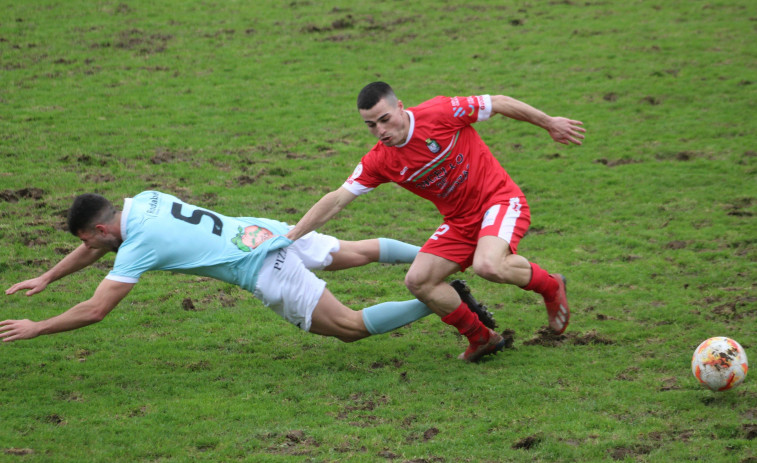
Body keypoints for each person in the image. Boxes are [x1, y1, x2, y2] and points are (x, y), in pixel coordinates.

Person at [285, 82, 586, 362]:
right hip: (459, 222)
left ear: (400, 106)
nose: (380, 130)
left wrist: (550, 122)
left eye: (385, 119)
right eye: (371, 125)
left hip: (499, 201)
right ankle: (482, 338)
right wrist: (291, 237)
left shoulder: (440, 112)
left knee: (488, 265)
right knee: (418, 281)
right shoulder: (379, 160)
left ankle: (550, 286)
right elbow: (337, 199)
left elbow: (498, 102)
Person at [2, 190, 438, 345]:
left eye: (87, 239)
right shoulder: (146, 200)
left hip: (264, 267)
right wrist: (47, 276)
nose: (90, 249)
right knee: (357, 251)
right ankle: (448, 255)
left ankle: (438, 301)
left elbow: (95, 310)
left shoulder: (138, 246)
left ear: (100, 227)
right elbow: (98, 248)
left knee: (348, 327)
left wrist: (37, 327)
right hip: (261, 231)